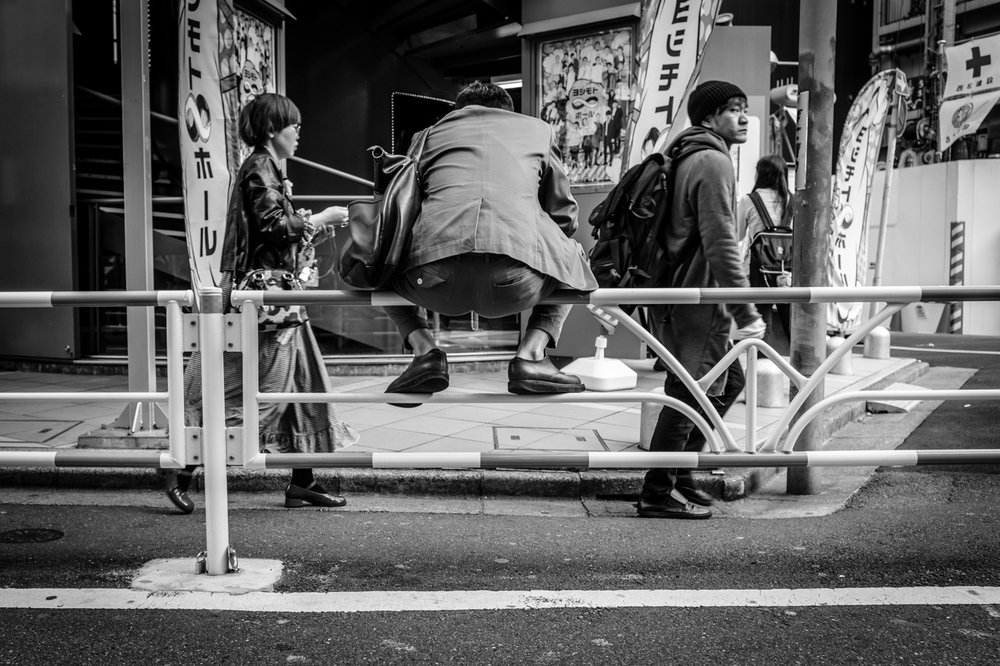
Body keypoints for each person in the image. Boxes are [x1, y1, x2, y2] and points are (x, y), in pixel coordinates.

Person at [167, 93, 360, 514]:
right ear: (273, 129)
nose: (299, 135)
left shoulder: (265, 169)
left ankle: (303, 482)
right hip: (268, 307)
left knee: (304, 389)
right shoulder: (259, 168)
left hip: (278, 301)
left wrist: (305, 226)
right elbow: (273, 226)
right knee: (267, 396)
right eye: (295, 126)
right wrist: (319, 220)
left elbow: (269, 230)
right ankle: (185, 469)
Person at [381, 81, 598, 404]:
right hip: (517, 283)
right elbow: (563, 216)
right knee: (576, 254)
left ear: (458, 112)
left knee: (380, 261)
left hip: (431, 281)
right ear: (507, 111)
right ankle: (531, 354)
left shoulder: (425, 137)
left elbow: (401, 209)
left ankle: (425, 351)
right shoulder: (538, 131)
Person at [638, 81, 766, 520]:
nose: (744, 117)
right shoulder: (712, 161)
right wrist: (746, 310)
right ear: (710, 117)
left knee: (728, 383)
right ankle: (658, 492)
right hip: (699, 297)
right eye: (734, 109)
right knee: (691, 392)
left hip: (681, 294)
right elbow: (721, 243)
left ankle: (682, 472)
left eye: (744, 108)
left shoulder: (687, 154)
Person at [736, 154, 793, 353]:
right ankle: (802, 373)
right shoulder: (792, 201)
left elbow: (738, 234)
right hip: (788, 271)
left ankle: (762, 375)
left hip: (759, 269)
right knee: (791, 323)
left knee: (763, 322)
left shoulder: (749, 200)